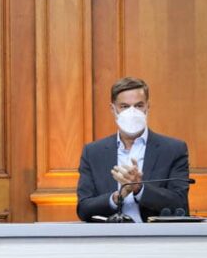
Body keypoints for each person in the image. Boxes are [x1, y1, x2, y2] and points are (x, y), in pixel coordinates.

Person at [76, 77, 190, 222]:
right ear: (113, 109)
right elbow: (84, 208)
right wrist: (118, 196)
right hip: (108, 239)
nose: (132, 112)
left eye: (138, 105)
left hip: (156, 239)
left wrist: (139, 189)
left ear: (147, 107)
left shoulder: (173, 149)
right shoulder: (93, 152)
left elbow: (180, 204)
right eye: (124, 106)